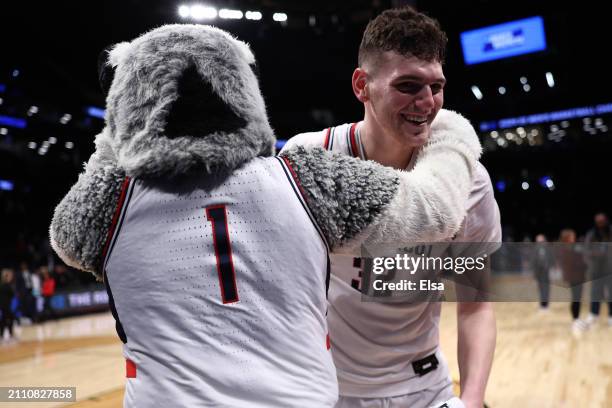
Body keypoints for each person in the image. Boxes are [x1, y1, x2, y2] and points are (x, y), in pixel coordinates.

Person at [49, 25, 481, 407]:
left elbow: (65, 232)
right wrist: (452, 130)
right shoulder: (305, 174)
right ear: (242, 87)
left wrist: (119, 132)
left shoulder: (107, 206)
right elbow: (436, 208)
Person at [282, 6, 501, 408]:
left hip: (423, 388)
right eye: (408, 85)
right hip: (326, 389)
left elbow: (476, 303)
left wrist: (471, 400)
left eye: (436, 87)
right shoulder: (310, 158)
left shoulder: (468, 181)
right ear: (362, 85)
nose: (426, 102)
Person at [558, 229, 589, 335]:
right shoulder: (565, 249)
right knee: (575, 298)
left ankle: (577, 319)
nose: (574, 238)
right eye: (572, 236)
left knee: (577, 298)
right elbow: (574, 263)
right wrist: (583, 264)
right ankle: (575, 320)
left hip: (578, 276)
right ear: (567, 238)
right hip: (573, 277)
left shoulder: (572, 248)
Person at [584, 212, 612, 326]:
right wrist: (594, 254)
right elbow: (586, 250)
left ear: (606, 220)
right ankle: (594, 315)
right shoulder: (591, 234)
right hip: (596, 269)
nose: (600, 223)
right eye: (598, 222)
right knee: (595, 292)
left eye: (602, 221)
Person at [531, 234, 554, 310]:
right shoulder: (535, 249)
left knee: (546, 288)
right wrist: (534, 274)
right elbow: (533, 262)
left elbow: (551, 259)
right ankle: (542, 305)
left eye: (541, 240)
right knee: (540, 289)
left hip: (546, 272)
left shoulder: (548, 249)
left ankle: (546, 305)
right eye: (538, 241)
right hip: (538, 272)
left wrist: (550, 267)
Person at [0, 268, 16, 341]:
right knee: (9, 319)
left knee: (5, 319)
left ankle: (3, 335)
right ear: (6, 276)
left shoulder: (6, 285)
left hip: (6, 304)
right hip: (5, 305)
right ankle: (9, 334)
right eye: (9, 276)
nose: (11, 277)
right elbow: (11, 294)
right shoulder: (5, 285)